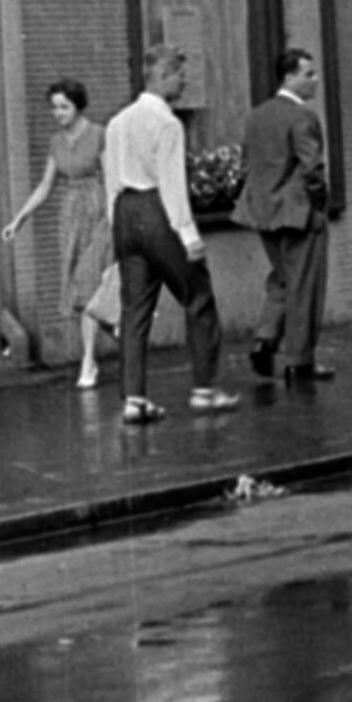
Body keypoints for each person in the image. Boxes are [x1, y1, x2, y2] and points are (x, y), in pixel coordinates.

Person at [102, 43, 237, 424]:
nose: (183, 80)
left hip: (125, 211)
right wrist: (189, 235)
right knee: (198, 297)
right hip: (157, 210)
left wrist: (116, 223)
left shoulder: (118, 122)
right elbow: (172, 183)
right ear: (161, 76)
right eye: (179, 74)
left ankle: (134, 397)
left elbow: (110, 178)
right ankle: (205, 388)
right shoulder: (167, 124)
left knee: (134, 309)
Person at [1, 78, 112, 389]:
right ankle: (101, 342)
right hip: (71, 214)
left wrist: (115, 217)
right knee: (78, 287)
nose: (58, 113)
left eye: (64, 107)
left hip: (98, 211)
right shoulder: (56, 142)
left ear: (78, 106)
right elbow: (46, 185)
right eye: (54, 108)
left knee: (87, 285)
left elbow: (112, 177)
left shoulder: (98, 135)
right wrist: (19, 219)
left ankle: (88, 361)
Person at [239, 46, 332, 382]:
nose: (315, 80)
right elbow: (312, 167)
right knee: (305, 284)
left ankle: (265, 339)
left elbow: (247, 162)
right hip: (298, 212)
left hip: (263, 211)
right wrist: (319, 203)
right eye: (308, 73)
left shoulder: (256, 116)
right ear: (290, 76)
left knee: (281, 278)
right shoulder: (303, 117)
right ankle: (300, 359)